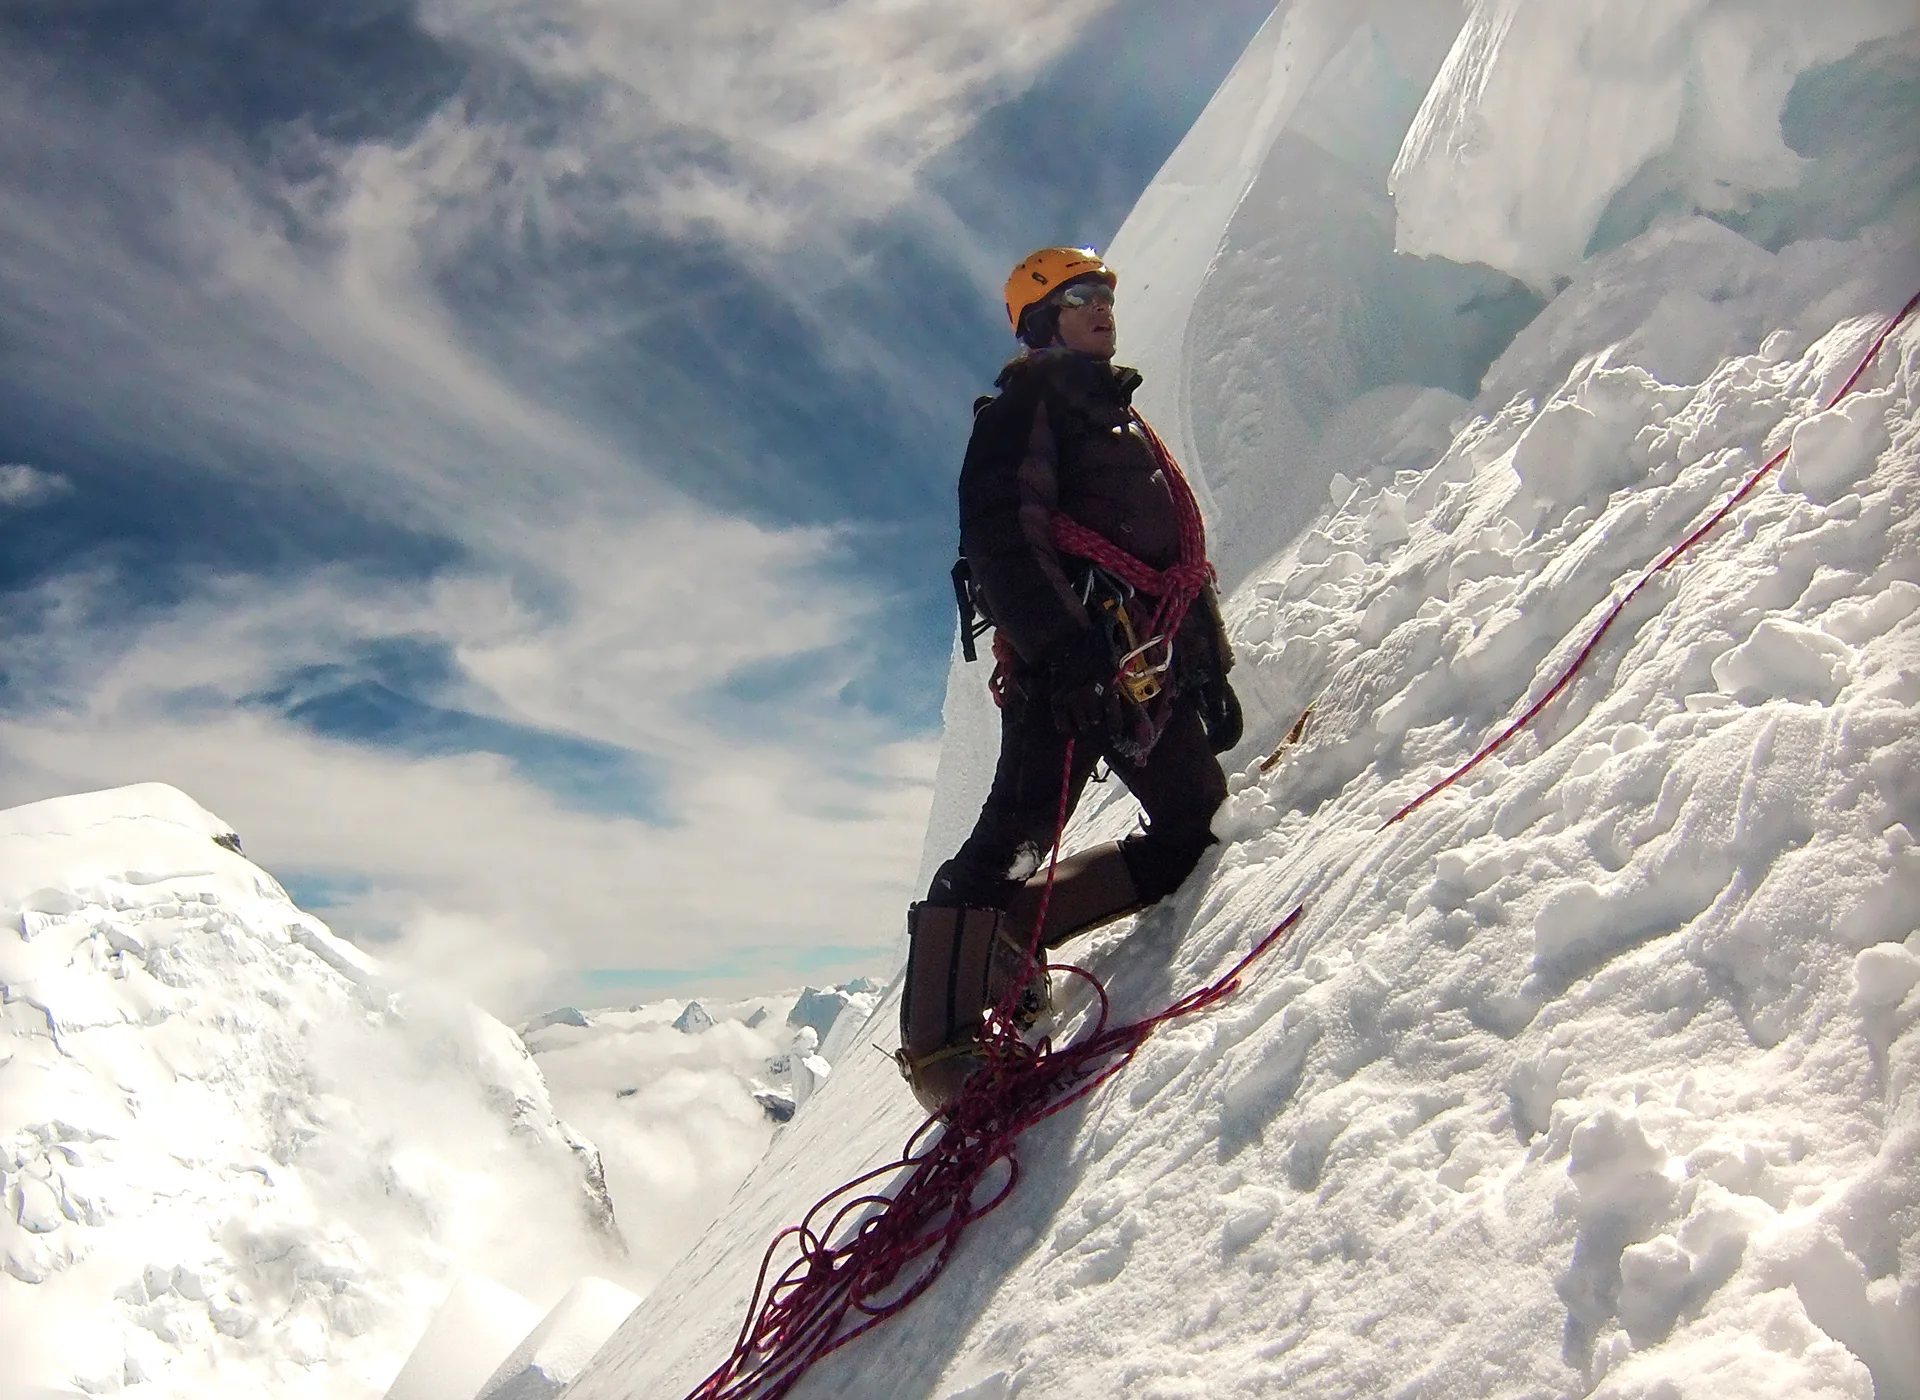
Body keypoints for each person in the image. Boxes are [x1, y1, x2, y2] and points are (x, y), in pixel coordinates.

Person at [897, 246, 1242, 1115]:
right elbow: (1001, 538)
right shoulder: (1025, 410)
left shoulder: (1117, 417)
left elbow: (1174, 557)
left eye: (1106, 293)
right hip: (1070, 670)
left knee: (1195, 821)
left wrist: (1207, 667)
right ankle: (940, 1051)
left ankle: (1018, 929)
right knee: (1013, 834)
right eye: (1081, 295)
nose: (1103, 306)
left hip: (1139, 661)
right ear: (1042, 319)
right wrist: (1066, 652)